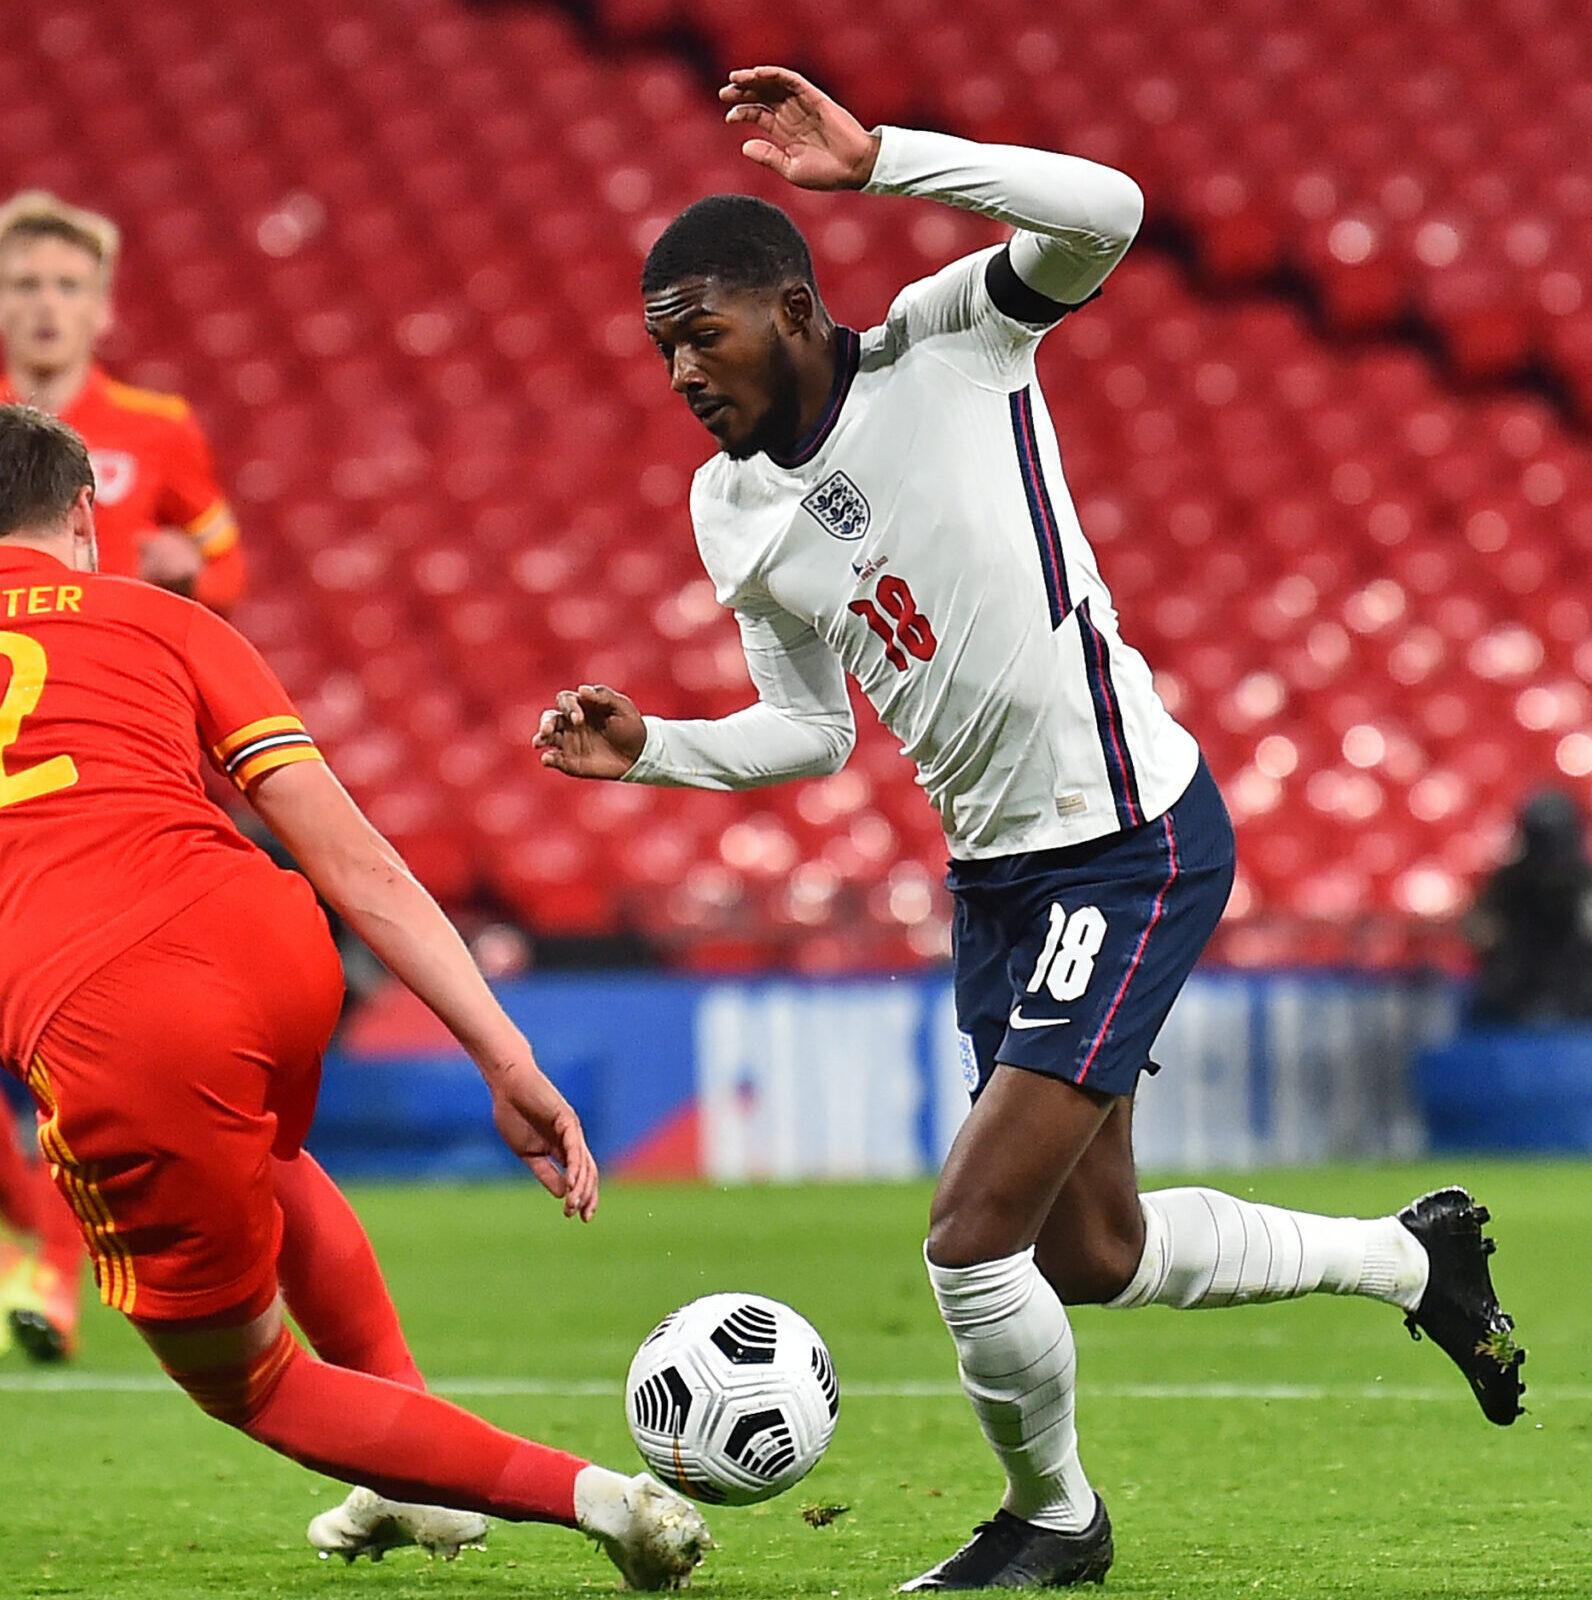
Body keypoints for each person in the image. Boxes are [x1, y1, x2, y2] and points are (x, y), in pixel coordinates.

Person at [534, 68, 1525, 1591]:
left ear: (794, 307)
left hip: (1129, 833)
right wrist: (651, 748)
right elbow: (808, 733)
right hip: (1000, 878)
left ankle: (1056, 1524)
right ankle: (1413, 1259)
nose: (682, 369)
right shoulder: (730, 507)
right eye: (663, 346)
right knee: (1089, 1253)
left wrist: (881, 166)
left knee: (971, 1233)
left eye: (705, 332)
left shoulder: (954, 341)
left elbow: (1109, 213)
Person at [0, 405, 713, 1588]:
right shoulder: (170, 620)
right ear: (82, 516)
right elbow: (354, 861)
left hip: (122, 1028)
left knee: (253, 1380)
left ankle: (601, 1501)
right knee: (263, 1154)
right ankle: (402, 1469)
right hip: (272, 941)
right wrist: (504, 1057)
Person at [0, 191, 248, 1366]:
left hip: (113, 784)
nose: (45, 305)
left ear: (102, 304)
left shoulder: (160, 428)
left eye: (67, 285)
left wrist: (197, 570)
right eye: (24, 284)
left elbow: (226, 565)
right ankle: (36, 1234)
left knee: (84, 1057)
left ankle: (57, 1273)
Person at [1464, 787, 1592, 1024]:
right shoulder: (1507, 882)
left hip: (1578, 1000)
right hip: (1514, 998)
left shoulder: (1584, 882)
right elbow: (1478, 930)